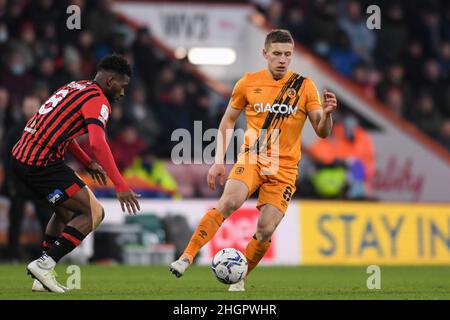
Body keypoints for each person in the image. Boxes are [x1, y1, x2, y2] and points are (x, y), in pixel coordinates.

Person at [169, 29, 338, 291]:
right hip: (253, 157)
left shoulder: (305, 87)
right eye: (277, 54)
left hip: (285, 168)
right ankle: (186, 257)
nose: (283, 59)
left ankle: (241, 278)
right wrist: (218, 161)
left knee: (266, 229)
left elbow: (322, 132)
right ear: (265, 54)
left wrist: (327, 115)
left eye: (288, 55)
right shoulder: (248, 82)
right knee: (229, 202)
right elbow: (228, 120)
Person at [10, 54, 141, 293]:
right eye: (123, 86)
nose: (123, 93)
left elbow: (63, 131)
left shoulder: (75, 86)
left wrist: (87, 162)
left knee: (66, 212)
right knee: (94, 213)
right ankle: (44, 265)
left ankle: (40, 278)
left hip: (21, 157)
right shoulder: (98, 100)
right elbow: (98, 143)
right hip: (42, 161)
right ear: (111, 81)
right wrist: (120, 185)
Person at [2, 96, 53, 261]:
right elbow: (5, 156)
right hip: (19, 183)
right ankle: (12, 254)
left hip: (39, 183)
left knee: (46, 219)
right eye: (28, 105)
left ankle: (47, 254)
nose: (31, 109)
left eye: (33, 106)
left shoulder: (46, 129)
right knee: (15, 219)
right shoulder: (15, 130)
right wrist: (10, 180)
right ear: (22, 108)